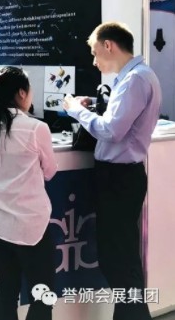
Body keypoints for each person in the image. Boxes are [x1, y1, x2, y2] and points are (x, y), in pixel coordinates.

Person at [63, 21, 161, 320]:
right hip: (121, 178)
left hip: (119, 179)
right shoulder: (135, 77)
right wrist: (93, 105)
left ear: (109, 45)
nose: (94, 61)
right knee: (120, 259)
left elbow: (112, 130)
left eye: (95, 53)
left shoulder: (135, 80)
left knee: (119, 261)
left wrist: (76, 110)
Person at [0, 66, 57, 320]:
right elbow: (50, 171)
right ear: (22, 93)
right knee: (43, 295)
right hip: (29, 227)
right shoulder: (36, 128)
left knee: (6, 292)